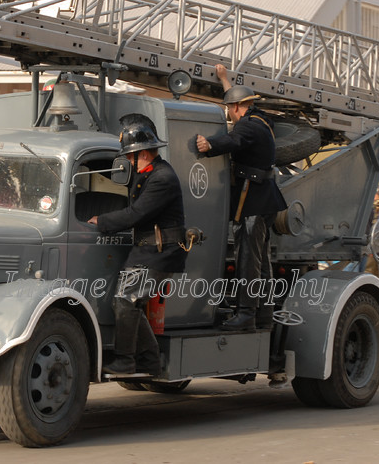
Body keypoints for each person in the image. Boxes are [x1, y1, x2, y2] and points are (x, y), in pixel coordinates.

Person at [88, 114, 187, 375]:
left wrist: (101, 221)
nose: (127, 161)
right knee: (129, 302)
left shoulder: (162, 178)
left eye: (128, 156)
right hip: (148, 250)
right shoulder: (148, 174)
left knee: (125, 301)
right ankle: (149, 360)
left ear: (139, 153)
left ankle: (125, 360)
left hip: (159, 251)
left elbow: (136, 214)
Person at [194, 64, 287, 330]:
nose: (229, 114)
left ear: (236, 108)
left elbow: (234, 139)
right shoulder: (260, 120)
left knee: (247, 258)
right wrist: (225, 79)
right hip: (264, 200)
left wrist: (210, 145)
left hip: (253, 202)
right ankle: (264, 314)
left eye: (229, 109)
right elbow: (236, 99)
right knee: (262, 262)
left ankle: (246, 314)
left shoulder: (248, 127)